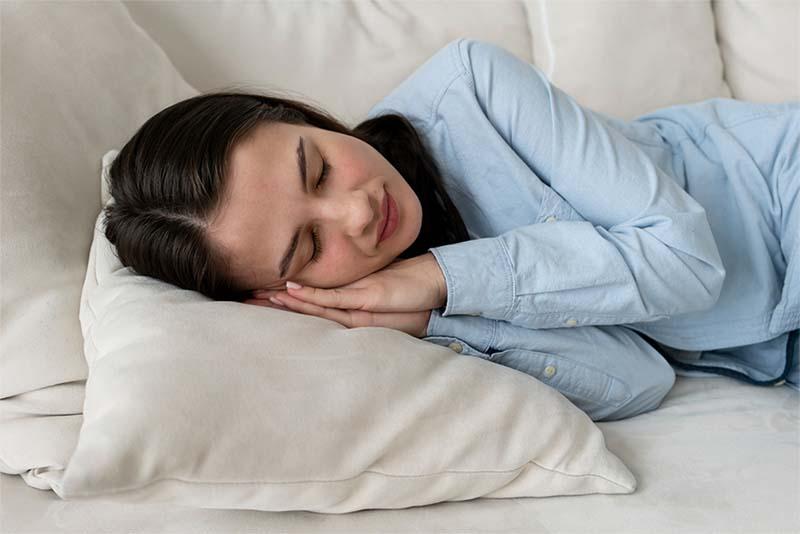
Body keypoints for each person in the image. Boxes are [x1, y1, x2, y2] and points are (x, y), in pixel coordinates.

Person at [103, 38, 799, 421]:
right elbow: (643, 378)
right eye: (310, 247)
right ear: (282, 292)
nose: (356, 212)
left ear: (301, 116)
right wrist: (432, 316)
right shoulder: (402, 310)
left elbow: (687, 260)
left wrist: (446, 274)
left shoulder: (474, 88)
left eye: (315, 169)